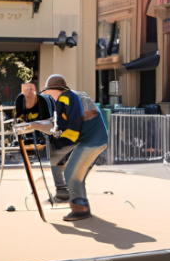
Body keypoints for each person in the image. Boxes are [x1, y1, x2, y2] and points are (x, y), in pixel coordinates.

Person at [17, 74, 108, 221]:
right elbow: (55, 124)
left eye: (50, 94)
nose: (49, 97)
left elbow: (63, 127)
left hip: (92, 141)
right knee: (59, 159)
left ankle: (80, 208)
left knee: (72, 171)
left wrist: (35, 126)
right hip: (83, 140)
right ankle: (65, 194)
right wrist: (32, 126)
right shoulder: (62, 101)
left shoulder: (76, 99)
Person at [14, 82, 62, 199]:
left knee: (56, 156)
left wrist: (37, 126)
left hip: (47, 127)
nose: (29, 92)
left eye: (31, 89)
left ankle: (62, 188)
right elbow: (19, 117)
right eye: (26, 90)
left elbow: (49, 121)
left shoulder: (42, 101)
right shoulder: (20, 100)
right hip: (32, 127)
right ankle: (59, 188)